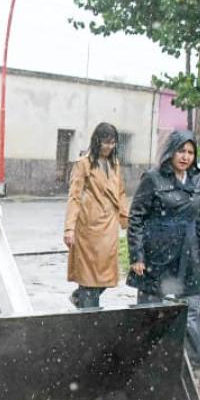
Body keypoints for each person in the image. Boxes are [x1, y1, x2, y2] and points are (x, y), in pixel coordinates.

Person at [126, 130, 200, 384]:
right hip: (156, 257)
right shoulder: (153, 179)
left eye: (191, 152)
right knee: (150, 313)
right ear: (171, 151)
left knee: (191, 312)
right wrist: (137, 255)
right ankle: (140, 367)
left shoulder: (197, 180)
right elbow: (136, 218)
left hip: (188, 258)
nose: (186, 157)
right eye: (181, 151)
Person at [63, 123, 129, 308]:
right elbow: (74, 197)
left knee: (107, 277)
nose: (109, 146)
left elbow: (121, 192)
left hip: (109, 227)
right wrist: (69, 228)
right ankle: (88, 313)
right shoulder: (83, 164)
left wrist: (126, 219)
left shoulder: (115, 164)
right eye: (105, 142)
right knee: (89, 277)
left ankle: (81, 298)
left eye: (113, 142)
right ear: (97, 141)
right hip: (89, 229)